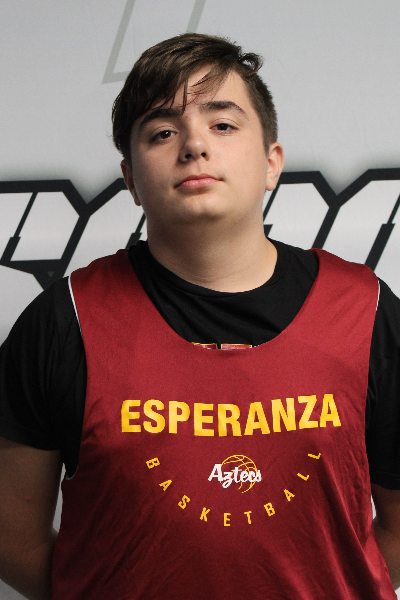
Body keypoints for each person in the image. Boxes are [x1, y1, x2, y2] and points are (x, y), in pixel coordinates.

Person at [0, 32, 400, 600]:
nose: (194, 145)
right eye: (163, 132)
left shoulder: (367, 311)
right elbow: (14, 541)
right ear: (131, 180)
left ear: (272, 163)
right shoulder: (65, 321)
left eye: (223, 124)